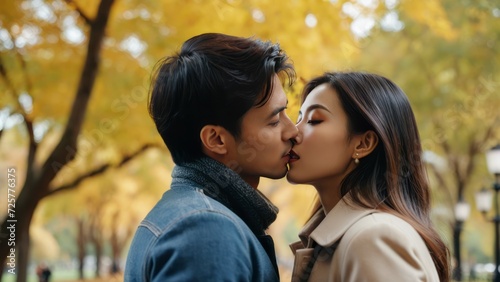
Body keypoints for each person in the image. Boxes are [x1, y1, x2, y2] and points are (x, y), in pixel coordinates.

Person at [124, 33, 298, 281]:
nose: (293, 131)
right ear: (216, 140)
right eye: (273, 121)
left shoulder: (191, 214)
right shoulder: (205, 229)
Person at [287, 71, 450, 281]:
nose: (293, 131)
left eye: (314, 120)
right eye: (298, 118)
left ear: (363, 144)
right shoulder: (344, 238)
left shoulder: (374, 237)